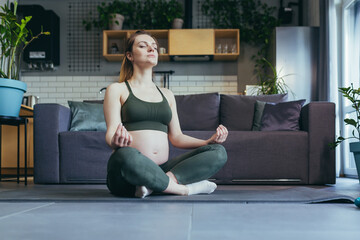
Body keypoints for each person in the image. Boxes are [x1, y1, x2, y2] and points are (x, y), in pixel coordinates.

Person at [104, 30, 228, 198]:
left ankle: (155, 185)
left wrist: (207, 141)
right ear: (129, 55)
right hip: (127, 173)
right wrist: (115, 141)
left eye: (154, 47)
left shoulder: (167, 94)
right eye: (143, 46)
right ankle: (184, 189)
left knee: (218, 151)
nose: (151, 49)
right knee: (125, 154)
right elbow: (111, 131)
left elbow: (176, 136)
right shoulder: (117, 89)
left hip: (161, 170)